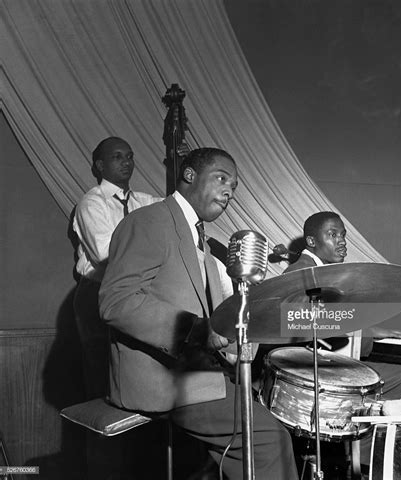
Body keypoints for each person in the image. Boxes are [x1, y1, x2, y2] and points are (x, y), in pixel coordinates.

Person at [99, 147, 298, 479]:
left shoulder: (202, 245)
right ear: (189, 175)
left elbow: (211, 323)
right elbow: (116, 301)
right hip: (162, 382)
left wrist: (235, 344)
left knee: (264, 435)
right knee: (269, 439)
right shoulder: (148, 220)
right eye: (221, 179)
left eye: (233, 187)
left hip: (198, 377)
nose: (228, 192)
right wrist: (198, 332)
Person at [283, 211, 401, 404]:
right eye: (333, 235)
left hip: (328, 363)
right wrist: (368, 332)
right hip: (316, 374)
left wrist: (369, 331)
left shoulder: (319, 272)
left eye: (343, 235)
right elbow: (301, 329)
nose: (342, 241)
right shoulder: (301, 274)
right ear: (311, 241)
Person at [73, 137, 161, 480]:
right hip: (97, 297)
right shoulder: (91, 203)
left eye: (129, 156)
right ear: (99, 166)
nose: (126, 162)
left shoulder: (144, 202)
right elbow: (109, 256)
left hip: (137, 299)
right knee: (102, 390)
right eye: (117, 157)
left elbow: (177, 213)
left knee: (134, 387)